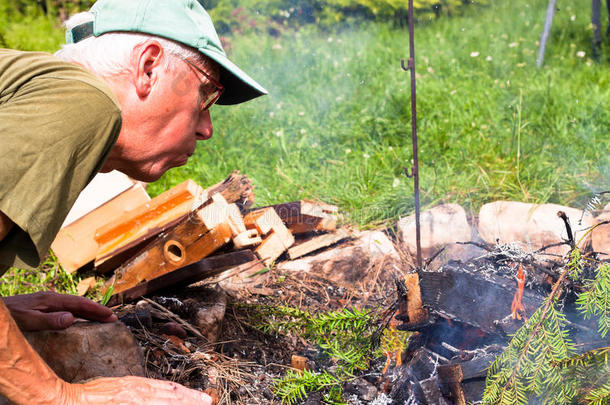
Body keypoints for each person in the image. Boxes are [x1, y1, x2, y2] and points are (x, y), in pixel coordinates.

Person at [0, 0, 267, 403]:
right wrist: (57, 395)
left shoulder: (43, 92)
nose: (206, 128)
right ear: (148, 67)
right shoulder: (82, 101)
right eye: (206, 94)